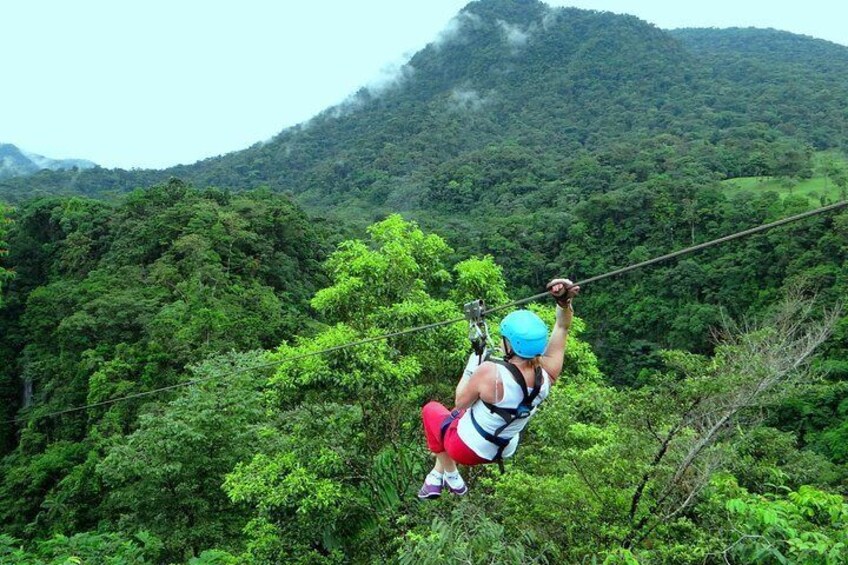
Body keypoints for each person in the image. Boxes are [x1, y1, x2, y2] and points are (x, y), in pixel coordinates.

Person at [418, 278, 580, 498]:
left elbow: (460, 401)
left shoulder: (490, 373)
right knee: (469, 414)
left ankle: (451, 474)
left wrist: (473, 363)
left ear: (511, 344)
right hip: (504, 446)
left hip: (466, 449)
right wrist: (564, 303)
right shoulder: (548, 373)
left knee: (433, 411)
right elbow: (562, 326)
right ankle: (436, 477)